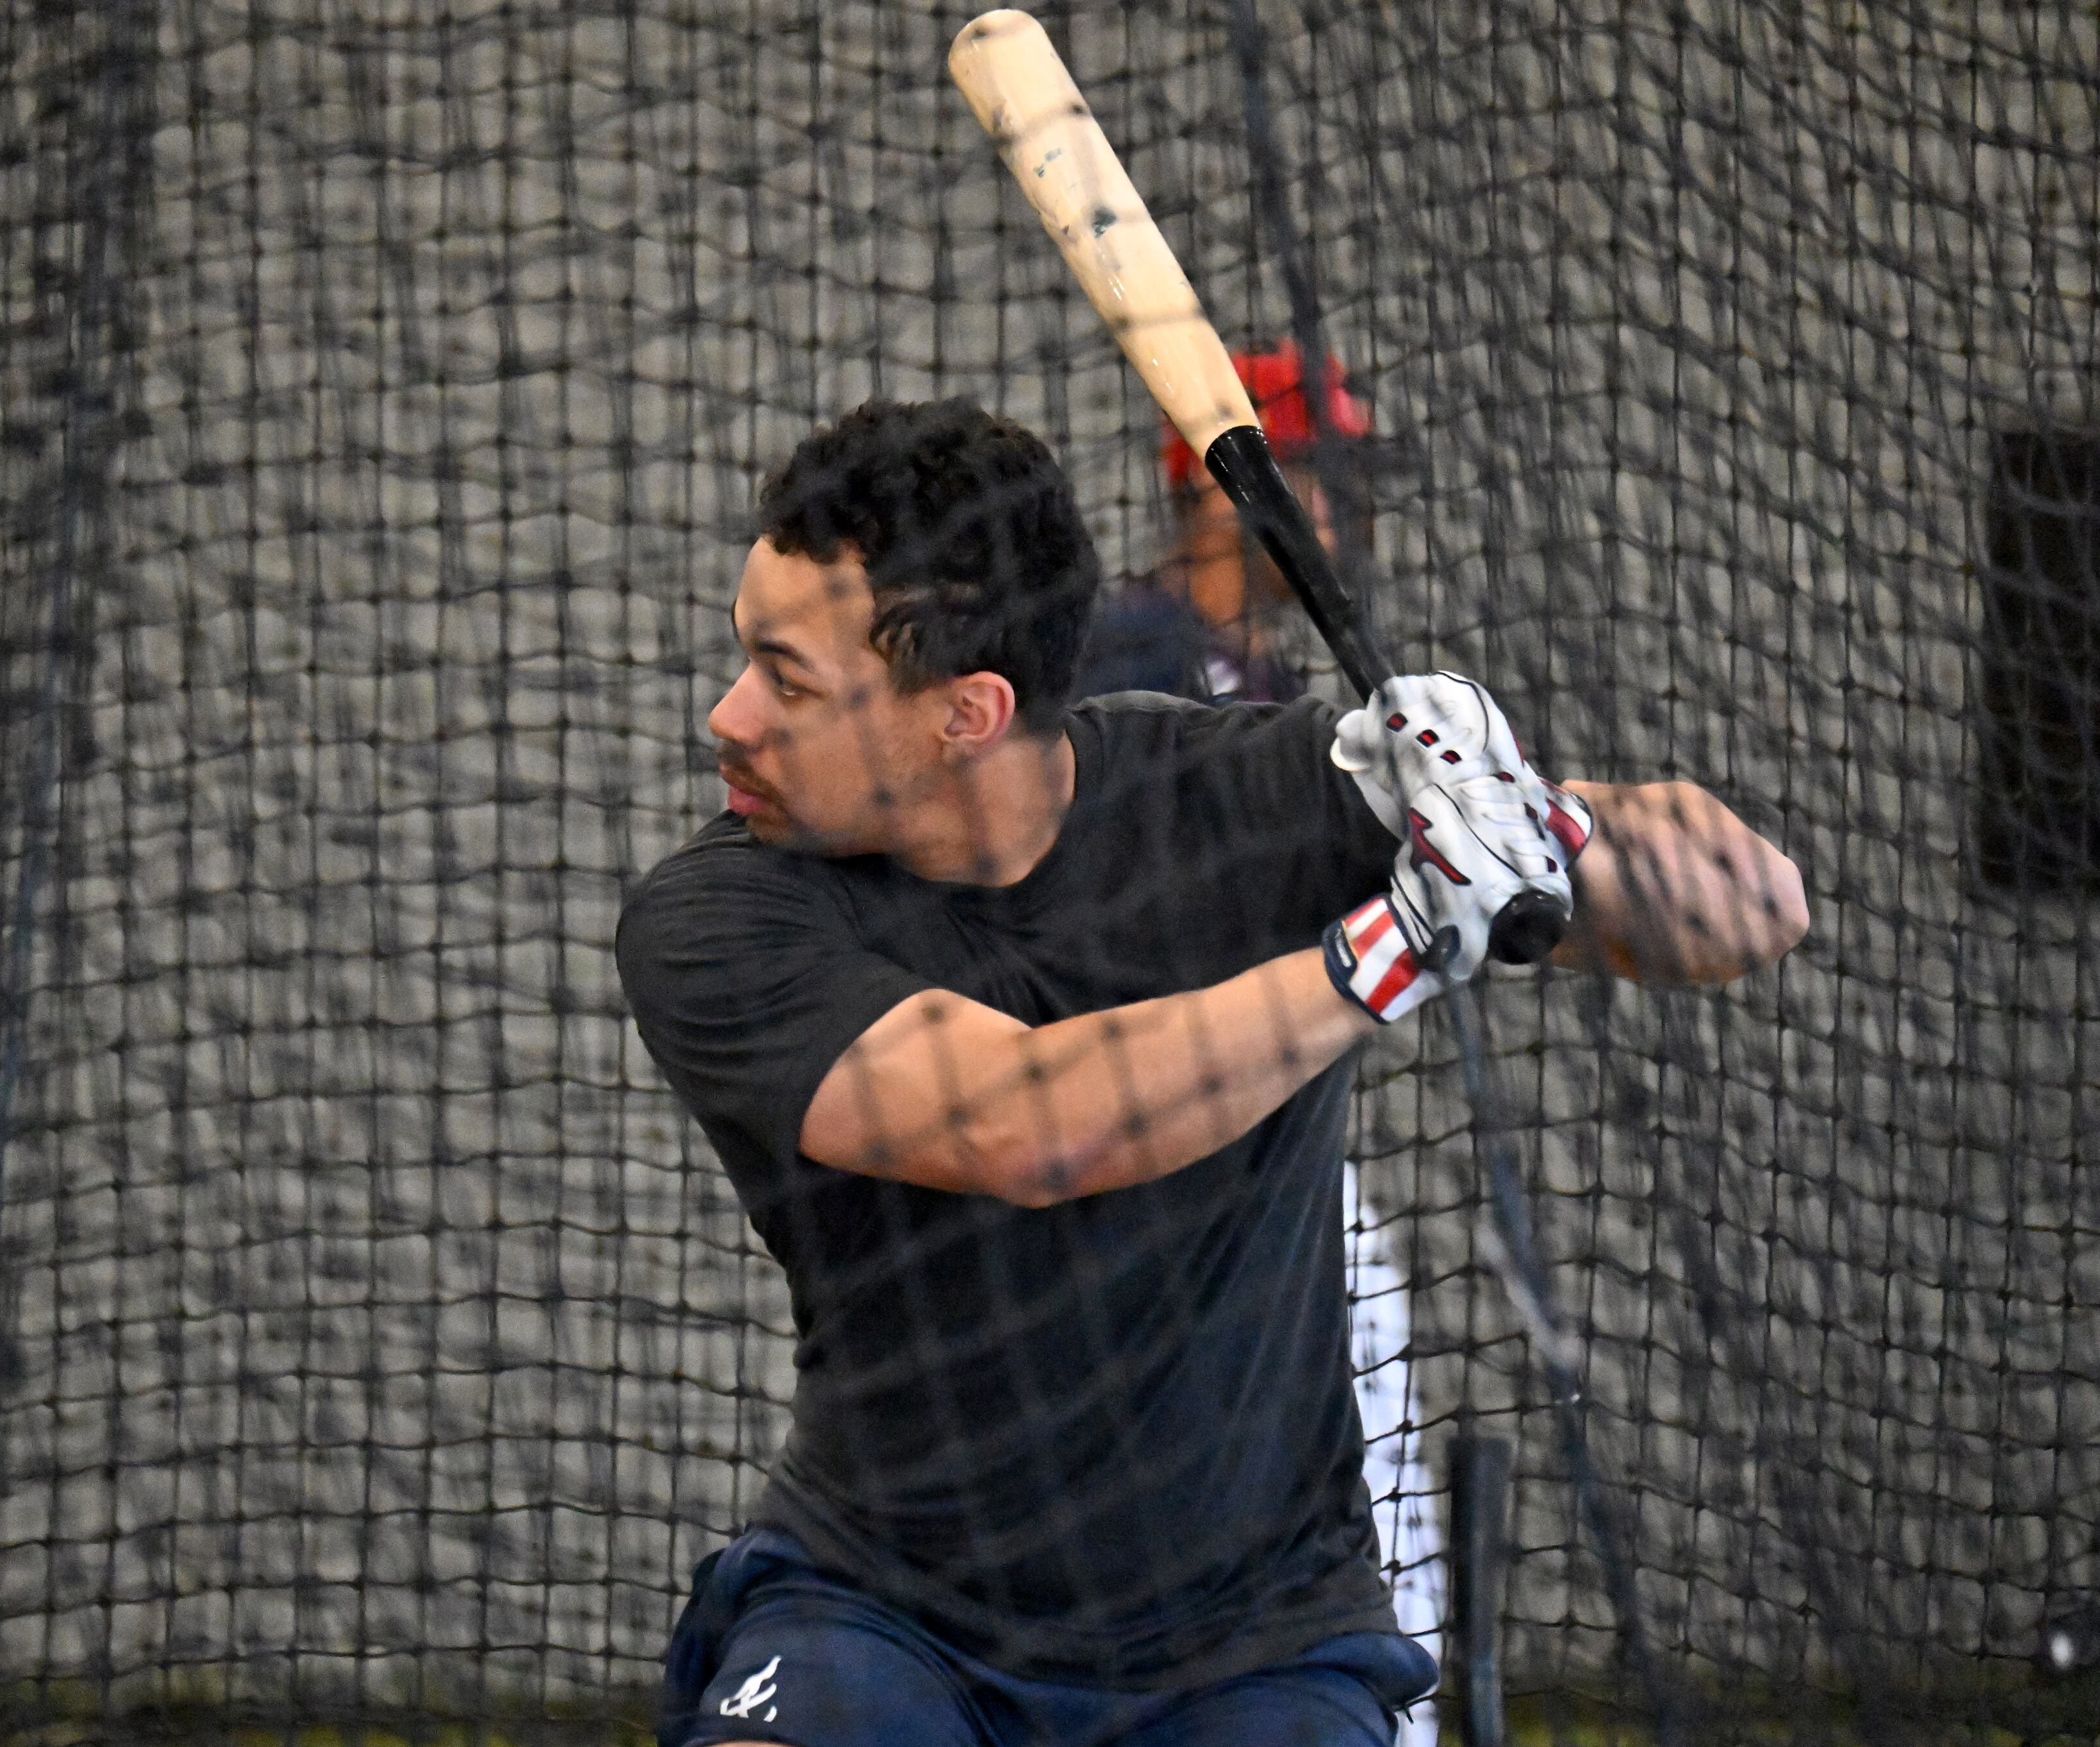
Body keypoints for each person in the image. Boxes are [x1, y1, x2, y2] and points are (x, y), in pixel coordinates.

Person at [617, 398, 1806, 1747]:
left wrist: (1539, 814)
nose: (730, 716)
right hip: (889, 1609)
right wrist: (1391, 947)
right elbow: (1027, 1120)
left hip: (1249, 1643)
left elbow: (1755, 903)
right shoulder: (723, 915)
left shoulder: (1251, 793)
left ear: (966, 712)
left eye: (789, 679)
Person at [1076, 342, 1438, 1742]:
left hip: (1266, 1148)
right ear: (1241, 493)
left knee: (1370, 1455)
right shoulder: (1131, 651)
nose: (1353, 518)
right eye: (1332, 483)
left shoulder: (1279, 678)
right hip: (1165, 1159)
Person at [1076, 341, 1368, 706]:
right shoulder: (1128, 660)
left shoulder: (1277, 684)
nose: (1336, 508)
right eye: (1312, 471)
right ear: (1217, 480)